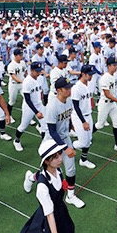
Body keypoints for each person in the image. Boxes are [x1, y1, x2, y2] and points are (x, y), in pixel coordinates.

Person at [13, 139, 92, 233]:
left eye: (59, 155)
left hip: (60, 213)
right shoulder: (42, 187)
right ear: (47, 161)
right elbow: (49, 214)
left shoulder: (58, 170)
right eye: (55, 157)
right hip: (46, 218)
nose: (60, 158)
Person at [25, 76, 85, 209]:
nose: (69, 90)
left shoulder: (68, 101)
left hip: (64, 137)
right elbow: (52, 131)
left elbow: (67, 118)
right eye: (66, 88)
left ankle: (70, 195)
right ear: (58, 90)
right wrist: (65, 148)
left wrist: (71, 127)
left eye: (70, 88)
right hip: (52, 141)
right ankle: (31, 178)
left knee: (71, 168)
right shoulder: (52, 106)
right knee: (49, 171)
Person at [95, 57, 117, 152]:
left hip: (112, 104)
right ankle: (86, 137)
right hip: (105, 104)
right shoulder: (104, 78)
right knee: (99, 125)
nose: (116, 67)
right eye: (114, 65)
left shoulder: (114, 76)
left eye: (116, 65)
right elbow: (107, 95)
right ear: (109, 66)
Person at [70, 64, 99, 170]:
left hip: (88, 114)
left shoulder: (88, 85)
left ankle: (83, 160)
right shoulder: (76, 87)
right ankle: (68, 147)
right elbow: (76, 106)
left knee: (89, 139)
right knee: (83, 142)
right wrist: (83, 121)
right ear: (83, 74)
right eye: (89, 74)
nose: (91, 77)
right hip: (79, 117)